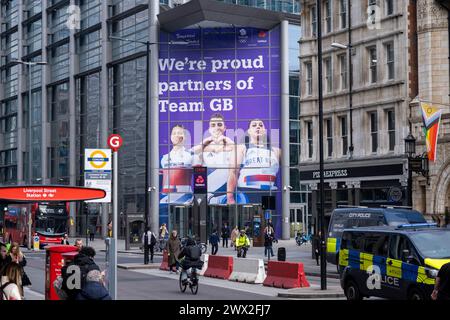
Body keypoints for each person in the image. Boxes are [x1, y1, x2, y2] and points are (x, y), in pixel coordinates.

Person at [227, 119, 281, 204]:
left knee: (268, 217)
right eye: (254, 125)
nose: (258, 127)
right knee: (248, 216)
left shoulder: (276, 151)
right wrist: (229, 197)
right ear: (249, 131)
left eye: (260, 125)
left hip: (269, 192)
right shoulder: (241, 148)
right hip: (247, 192)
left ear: (264, 130)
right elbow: (233, 172)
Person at [191, 114, 235, 204]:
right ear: (209, 128)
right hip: (207, 193)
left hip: (224, 193)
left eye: (219, 125)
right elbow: (189, 155)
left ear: (225, 128)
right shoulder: (203, 146)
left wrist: (225, 140)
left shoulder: (231, 145)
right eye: (213, 125)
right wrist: (205, 143)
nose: (216, 128)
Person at [160, 125, 194, 205]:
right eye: (174, 133)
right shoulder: (164, 158)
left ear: (184, 137)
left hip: (186, 201)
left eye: (179, 133)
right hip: (166, 201)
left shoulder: (191, 156)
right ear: (170, 137)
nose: (176, 135)